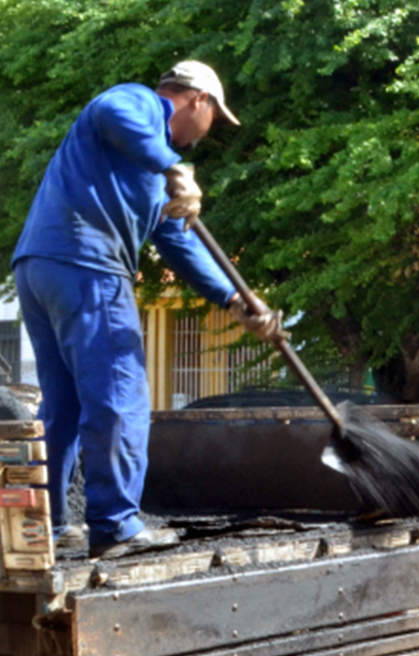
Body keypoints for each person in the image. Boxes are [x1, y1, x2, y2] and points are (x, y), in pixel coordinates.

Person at [11, 61, 279, 559]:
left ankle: (47, 526)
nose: (206, 135)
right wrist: (174, 166)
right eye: (214, 120)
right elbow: (111, 109)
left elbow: (180, 245)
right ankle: (114, 525)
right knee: (119, 392)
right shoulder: (137, 104)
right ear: (197, 99)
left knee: (63, 407)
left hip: (41, 267)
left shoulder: (148, 175)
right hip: (85, 265)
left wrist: (234, 299)